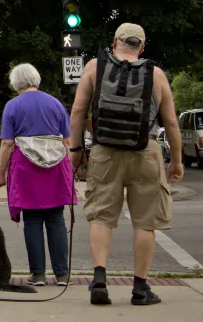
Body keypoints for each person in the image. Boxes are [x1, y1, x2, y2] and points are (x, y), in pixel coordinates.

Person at [69, 23, 183, 307]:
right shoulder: (155, 74)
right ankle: (141, 288)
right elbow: (170, 122)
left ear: (115, 41)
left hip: (105, 151)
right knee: (145, 221)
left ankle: (99, 279)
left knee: (101, 215)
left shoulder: (95, 67)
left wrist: (75, 149)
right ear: (141, 47)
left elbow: (78, 110)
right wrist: (177, 161)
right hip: (146, 151)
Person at [0, 63, 77, 287]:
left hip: (26, 169)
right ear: (36, 78)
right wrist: (69, 171)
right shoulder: (56, 103)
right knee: (56, 219)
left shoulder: (12, 106)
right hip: (55, 167)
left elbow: (7, 143)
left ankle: (38, 274)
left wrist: (0, 174)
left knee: (32, 220)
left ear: (16, 82)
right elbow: (67, 142)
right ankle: (62, 274)